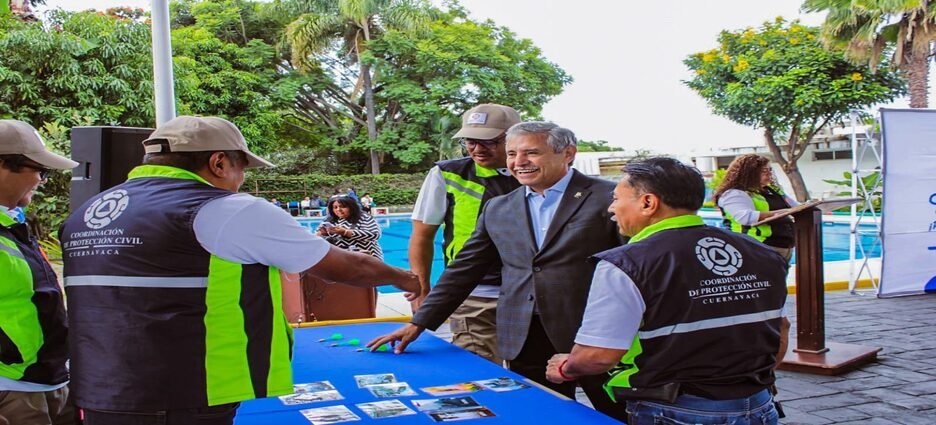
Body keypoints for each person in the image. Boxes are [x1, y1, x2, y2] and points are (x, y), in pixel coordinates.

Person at [59, 116, 419, 425]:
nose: (241, 179)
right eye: (242, 168)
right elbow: (342, 266)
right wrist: (405, 279)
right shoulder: (224, 208)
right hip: (184, 392)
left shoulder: (90, 211)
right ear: (218, 162)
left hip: (99, 388)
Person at [368, 122, 627, 422]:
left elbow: (638, 265)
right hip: (524, 335)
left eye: (532, 153)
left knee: (618, 414)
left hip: (594, 332)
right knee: (541, 415)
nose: (519, 163)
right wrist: (419, 323)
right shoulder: (498, 207)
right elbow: (465, 269)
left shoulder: (609, 197)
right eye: (512, 154)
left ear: (568, 153)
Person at [545, 157, 789, 425]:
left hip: (676, 411)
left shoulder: (627, 264)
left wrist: (566, 368)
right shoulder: (763, 253)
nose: (611, 209)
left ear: (648, 203)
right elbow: (781, 328)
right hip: (760, 406)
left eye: (616, 198)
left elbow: (597, 356)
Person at [407, 103, 522, 365]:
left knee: (533, 377)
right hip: (473, 292)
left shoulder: (534, 173)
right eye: (471, 141)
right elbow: (422, 235)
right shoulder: (447, 173)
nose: (477, 149)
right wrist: (423, 290)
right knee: (478, 373)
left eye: (490, 141)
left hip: (530, 293)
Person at [0, 120, 79, 425]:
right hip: (11, 392)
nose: (43, 181)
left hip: (49, 383)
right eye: (40, 171)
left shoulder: (14, 227)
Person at [713, 154, 798, 261]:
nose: (769, 173)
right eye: (763, 170)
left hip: (783, 246)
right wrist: (785, 212)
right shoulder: (734, 194)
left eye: (770, 169)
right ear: (749, 173)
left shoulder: (772, 191)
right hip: (753, 246)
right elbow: (745, 217)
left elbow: (796, 207)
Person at [316, 194, 383, 260]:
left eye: (342, 207)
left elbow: (375, 234)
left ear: (351, 207)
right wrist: (323, 234)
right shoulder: (329, 220)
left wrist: (345, 232)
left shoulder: (364, 217)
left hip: (367, 257)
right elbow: (317, 239)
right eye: (335, 207)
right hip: (342, 259)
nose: (338, 209)